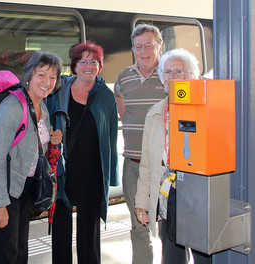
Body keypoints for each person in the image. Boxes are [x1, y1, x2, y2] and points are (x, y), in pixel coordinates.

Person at [0, 51, 63, 264]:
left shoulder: (40, 105)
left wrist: (52, 137)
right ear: (29, 75)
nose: (47, 82)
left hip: (23, 187)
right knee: (6, 256)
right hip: (3, 189)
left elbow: (34, 142)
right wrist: (0, 205)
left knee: (19, 253)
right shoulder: (12, 107)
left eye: (52, 77)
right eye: (41, 75)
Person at [134, 48, 211, 264]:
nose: (172, 77)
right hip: (169, 195)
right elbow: (148, 164)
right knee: (172, 256)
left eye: (179, 71)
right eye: (167, 72)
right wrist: (142, 200)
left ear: (193, 76)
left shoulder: (207, 108)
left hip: (199, 197)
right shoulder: (155, 113)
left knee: (204, 257)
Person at [47, 41, 119, 264]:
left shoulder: (105, 96)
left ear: (100, 66)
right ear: (74, 65)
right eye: (83, 61)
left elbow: (112, 136)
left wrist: (112, 173)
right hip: (63, 169)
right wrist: (51, 137)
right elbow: (45, 123)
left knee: (89, 232)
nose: (89, 66)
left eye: (94, 61)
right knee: (61, 229)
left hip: (92, 171)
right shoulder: (59, 92)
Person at [114, 23, 166, 263]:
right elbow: (123, 111)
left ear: (159, 46)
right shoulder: (124, 76)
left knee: (169, 229)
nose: (143, 51)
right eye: (138, 47)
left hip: (164, 168)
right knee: (139, 226)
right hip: (133, 164)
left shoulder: (169, 74)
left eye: (148, 45)